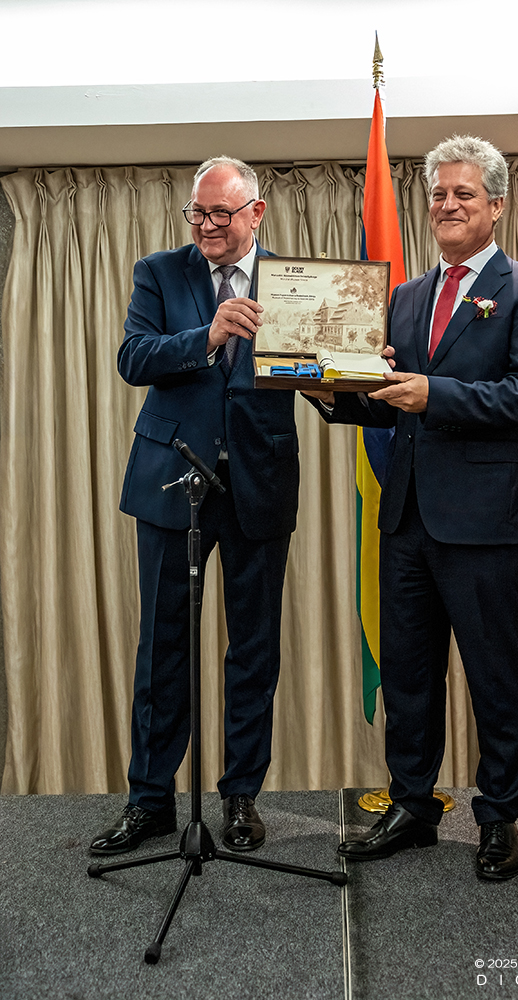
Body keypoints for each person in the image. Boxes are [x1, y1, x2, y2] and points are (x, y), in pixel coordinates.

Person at [307, 135, 518, 879]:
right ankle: (413, 807)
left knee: (495, 675)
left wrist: (435, 392)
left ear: (496, 204)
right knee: (410, 676)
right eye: (437, 194)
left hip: (487, 523)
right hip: (408, 519)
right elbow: (388, 401)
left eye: (463, 194)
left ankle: (498, 817)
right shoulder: (406, 296)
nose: (447, 205)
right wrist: (329, 389)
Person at [90, 156, 300, 856]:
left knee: (254, 649)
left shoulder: (292, 281)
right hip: (171, 482)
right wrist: (206, 336)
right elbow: (134, 358)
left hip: (259, 483)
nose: (206, 226)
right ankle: (150, 800)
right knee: (163, 648)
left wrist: (357, 363)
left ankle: (240, 798)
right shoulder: (159, 272)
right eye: (197, 214)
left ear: (255, 213)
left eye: (220, 214)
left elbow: (320, 371)